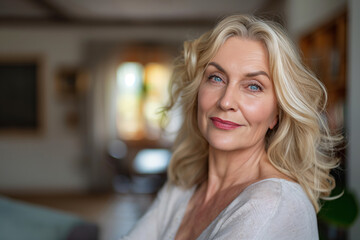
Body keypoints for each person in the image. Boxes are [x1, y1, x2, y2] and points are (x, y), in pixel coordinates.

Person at [120, 14, 341, 240]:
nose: (226, 102)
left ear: (277, 113)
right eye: (216, 78)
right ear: (198, 91)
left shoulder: (273, 204)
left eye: (253, 86)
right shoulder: (183, 188)